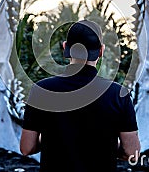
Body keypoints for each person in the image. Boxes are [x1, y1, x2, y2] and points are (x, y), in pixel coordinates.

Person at [20, 19, 140, 172]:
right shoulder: (118, 94)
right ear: (101, 51)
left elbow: (26, 148)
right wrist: (105, 144)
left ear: (65, 48)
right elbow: (132, 153)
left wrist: (57, 140)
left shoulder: (41, 90)